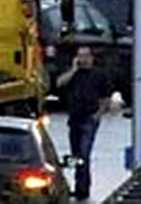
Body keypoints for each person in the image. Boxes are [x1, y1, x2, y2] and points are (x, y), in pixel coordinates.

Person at [56, 46, 112, 201]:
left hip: (90, 118)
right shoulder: (73, 75)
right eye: (80, 56)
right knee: (76, 155)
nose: (83, 59)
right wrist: (73, 70)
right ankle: (80, 186)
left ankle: (82, 189)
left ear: (92, 58)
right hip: (74, 118)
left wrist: (98, 115)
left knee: (84, 153)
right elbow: (59, 83)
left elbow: (106, 97)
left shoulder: (99, 75)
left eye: (86, 56)